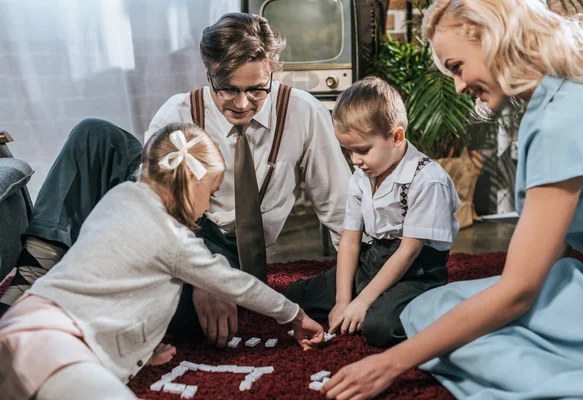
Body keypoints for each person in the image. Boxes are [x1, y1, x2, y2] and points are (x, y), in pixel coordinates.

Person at [0, 12, 350, 349]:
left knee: (193, 320)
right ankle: (28, 285)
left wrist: (353, 282)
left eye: (258, 89)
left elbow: (339, 206)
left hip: (236, 254)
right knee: (94, 134)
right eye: (227, 89)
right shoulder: (178, 112)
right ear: (207, 69)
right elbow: (149, 212)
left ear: (272, 70)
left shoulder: (304, 112)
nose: (243, 103)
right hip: (178, 233)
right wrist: (196, 274)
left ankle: (92, 297)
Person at [321, 1, 583, 399]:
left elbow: (519, 288)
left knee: (443, 321)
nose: (457, 86)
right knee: (433, 309)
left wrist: (391, 363)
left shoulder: (558, 120)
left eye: (456, 67)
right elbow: (553, 252)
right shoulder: (574, 88)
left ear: (493, 39)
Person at [0, 123, 324, 400]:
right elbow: (238, 285)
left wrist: (141, 349)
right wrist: (293, 315)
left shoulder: (118, 197)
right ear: (192, 185)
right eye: (209, 194)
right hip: (60, 343)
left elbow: (125, 287)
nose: (206, 207)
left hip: (26, 316)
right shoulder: (175, 239)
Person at [284, 77, 460, 348]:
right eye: (349, 151)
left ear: (397, 136)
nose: (355, 160)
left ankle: (435, 304)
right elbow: (351, 241)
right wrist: (343, 301)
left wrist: (362, 301)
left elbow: (408, 251)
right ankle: (370, 300)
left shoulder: (428, 180)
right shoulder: (361, 176)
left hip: (416, 270)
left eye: (363, 150)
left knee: (379, 328)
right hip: (373, 259)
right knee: (293, 298)